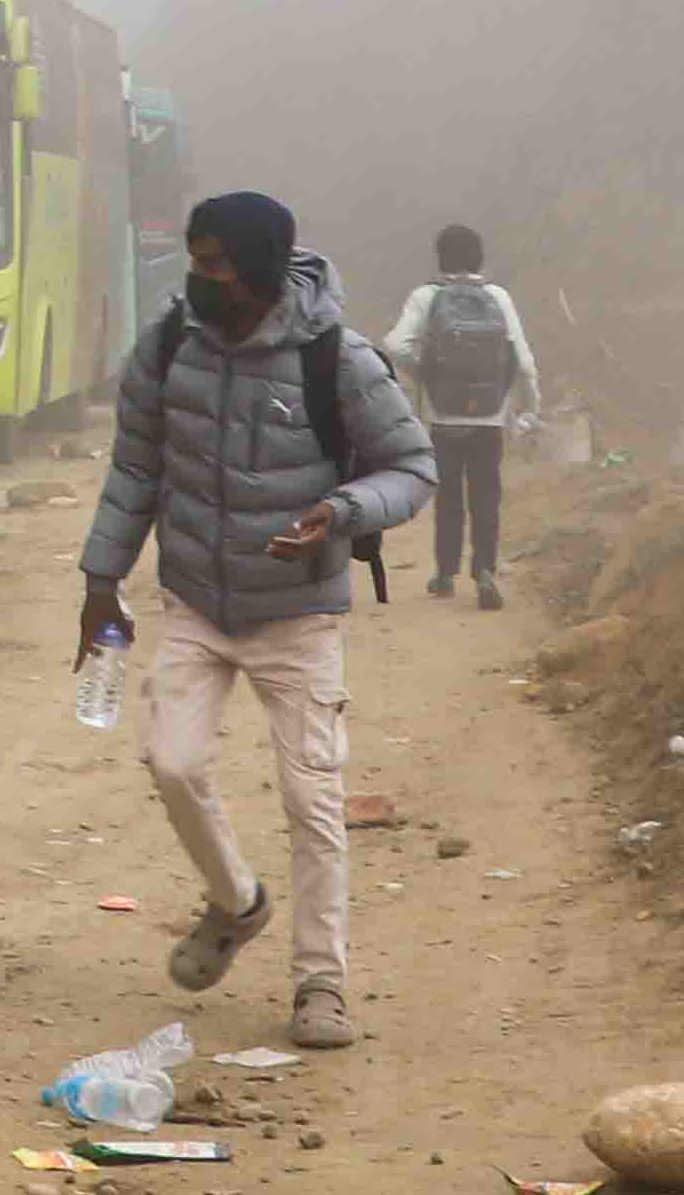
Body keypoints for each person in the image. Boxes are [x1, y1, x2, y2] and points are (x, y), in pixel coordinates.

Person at [76, 188, 431, 1050]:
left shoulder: (338, 358)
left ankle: (321, 985)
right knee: (170, 762)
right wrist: (100, 580)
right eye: (196, 261)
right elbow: (135, 470)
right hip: (196, 602)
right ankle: (237, 904)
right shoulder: (169, 344)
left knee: (313, 803)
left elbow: (412, 467)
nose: (201, 279)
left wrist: (340, 512)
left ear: (261, 267)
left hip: (298, 617)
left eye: (216, 264)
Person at [389, 222, 545, 606]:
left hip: (442, 418)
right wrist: (530, 409)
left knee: (448, 498)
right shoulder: (497, 296)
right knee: (486, 496)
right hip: (490, 419)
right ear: (480, 258)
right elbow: (524, 361)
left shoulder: (427, 296)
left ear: (440, 258)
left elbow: (394, 344)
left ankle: (445, 574)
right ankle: (485, 570)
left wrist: (424, 372)